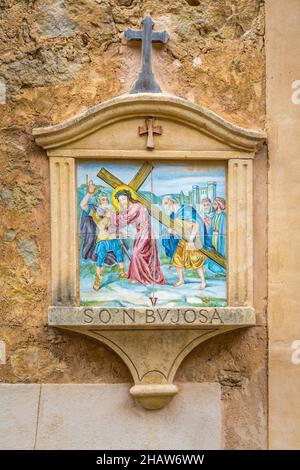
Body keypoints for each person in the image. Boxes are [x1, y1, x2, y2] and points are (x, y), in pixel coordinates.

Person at [80, 183, 127, 291]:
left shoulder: (111, 212)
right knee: (100, 258)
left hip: (114, 238)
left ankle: (122, 272)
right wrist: (89, 193)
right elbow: (82, 205)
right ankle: (97, 279)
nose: (105, 201)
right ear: (99, 202)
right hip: (103, 240)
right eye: (102, 200)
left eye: (106, 199)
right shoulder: (95, 212)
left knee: (119, 254)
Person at [113, 188, 165, 286]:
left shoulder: (137, 206)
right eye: (120, 200)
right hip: (140, 234)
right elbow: (122, 222)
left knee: (137, 254)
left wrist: (115, 214)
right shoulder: (128, 209)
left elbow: (125, 219)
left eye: (123, 199)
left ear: (128, 198)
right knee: (140, 255)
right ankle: (138, 277)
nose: (122, 202)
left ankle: (143, 278)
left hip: (146, 233)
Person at [161, 196, 207, 290]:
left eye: (166, 203)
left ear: (171, 201)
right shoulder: (174, 214)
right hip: (183, 240)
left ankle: (203, 281)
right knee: (177, 258)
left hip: (192, 239)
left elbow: (196, 225)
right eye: (163, 204)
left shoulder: (185, 210)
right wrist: (171, 231)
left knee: (195, 259)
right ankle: (181, 280)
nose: (165, 206)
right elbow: (180, 231)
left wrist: (190, 240)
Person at [206, 197, 226, 276]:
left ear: (219, 205)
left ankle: (223, 271)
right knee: (214, 252)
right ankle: (217, 270)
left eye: (214, 204)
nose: (213, 206)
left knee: (221, 252)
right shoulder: (214, 216)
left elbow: (224, 229)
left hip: (220, 239)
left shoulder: (224, 216)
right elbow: (211, 228)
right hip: (213, 238)